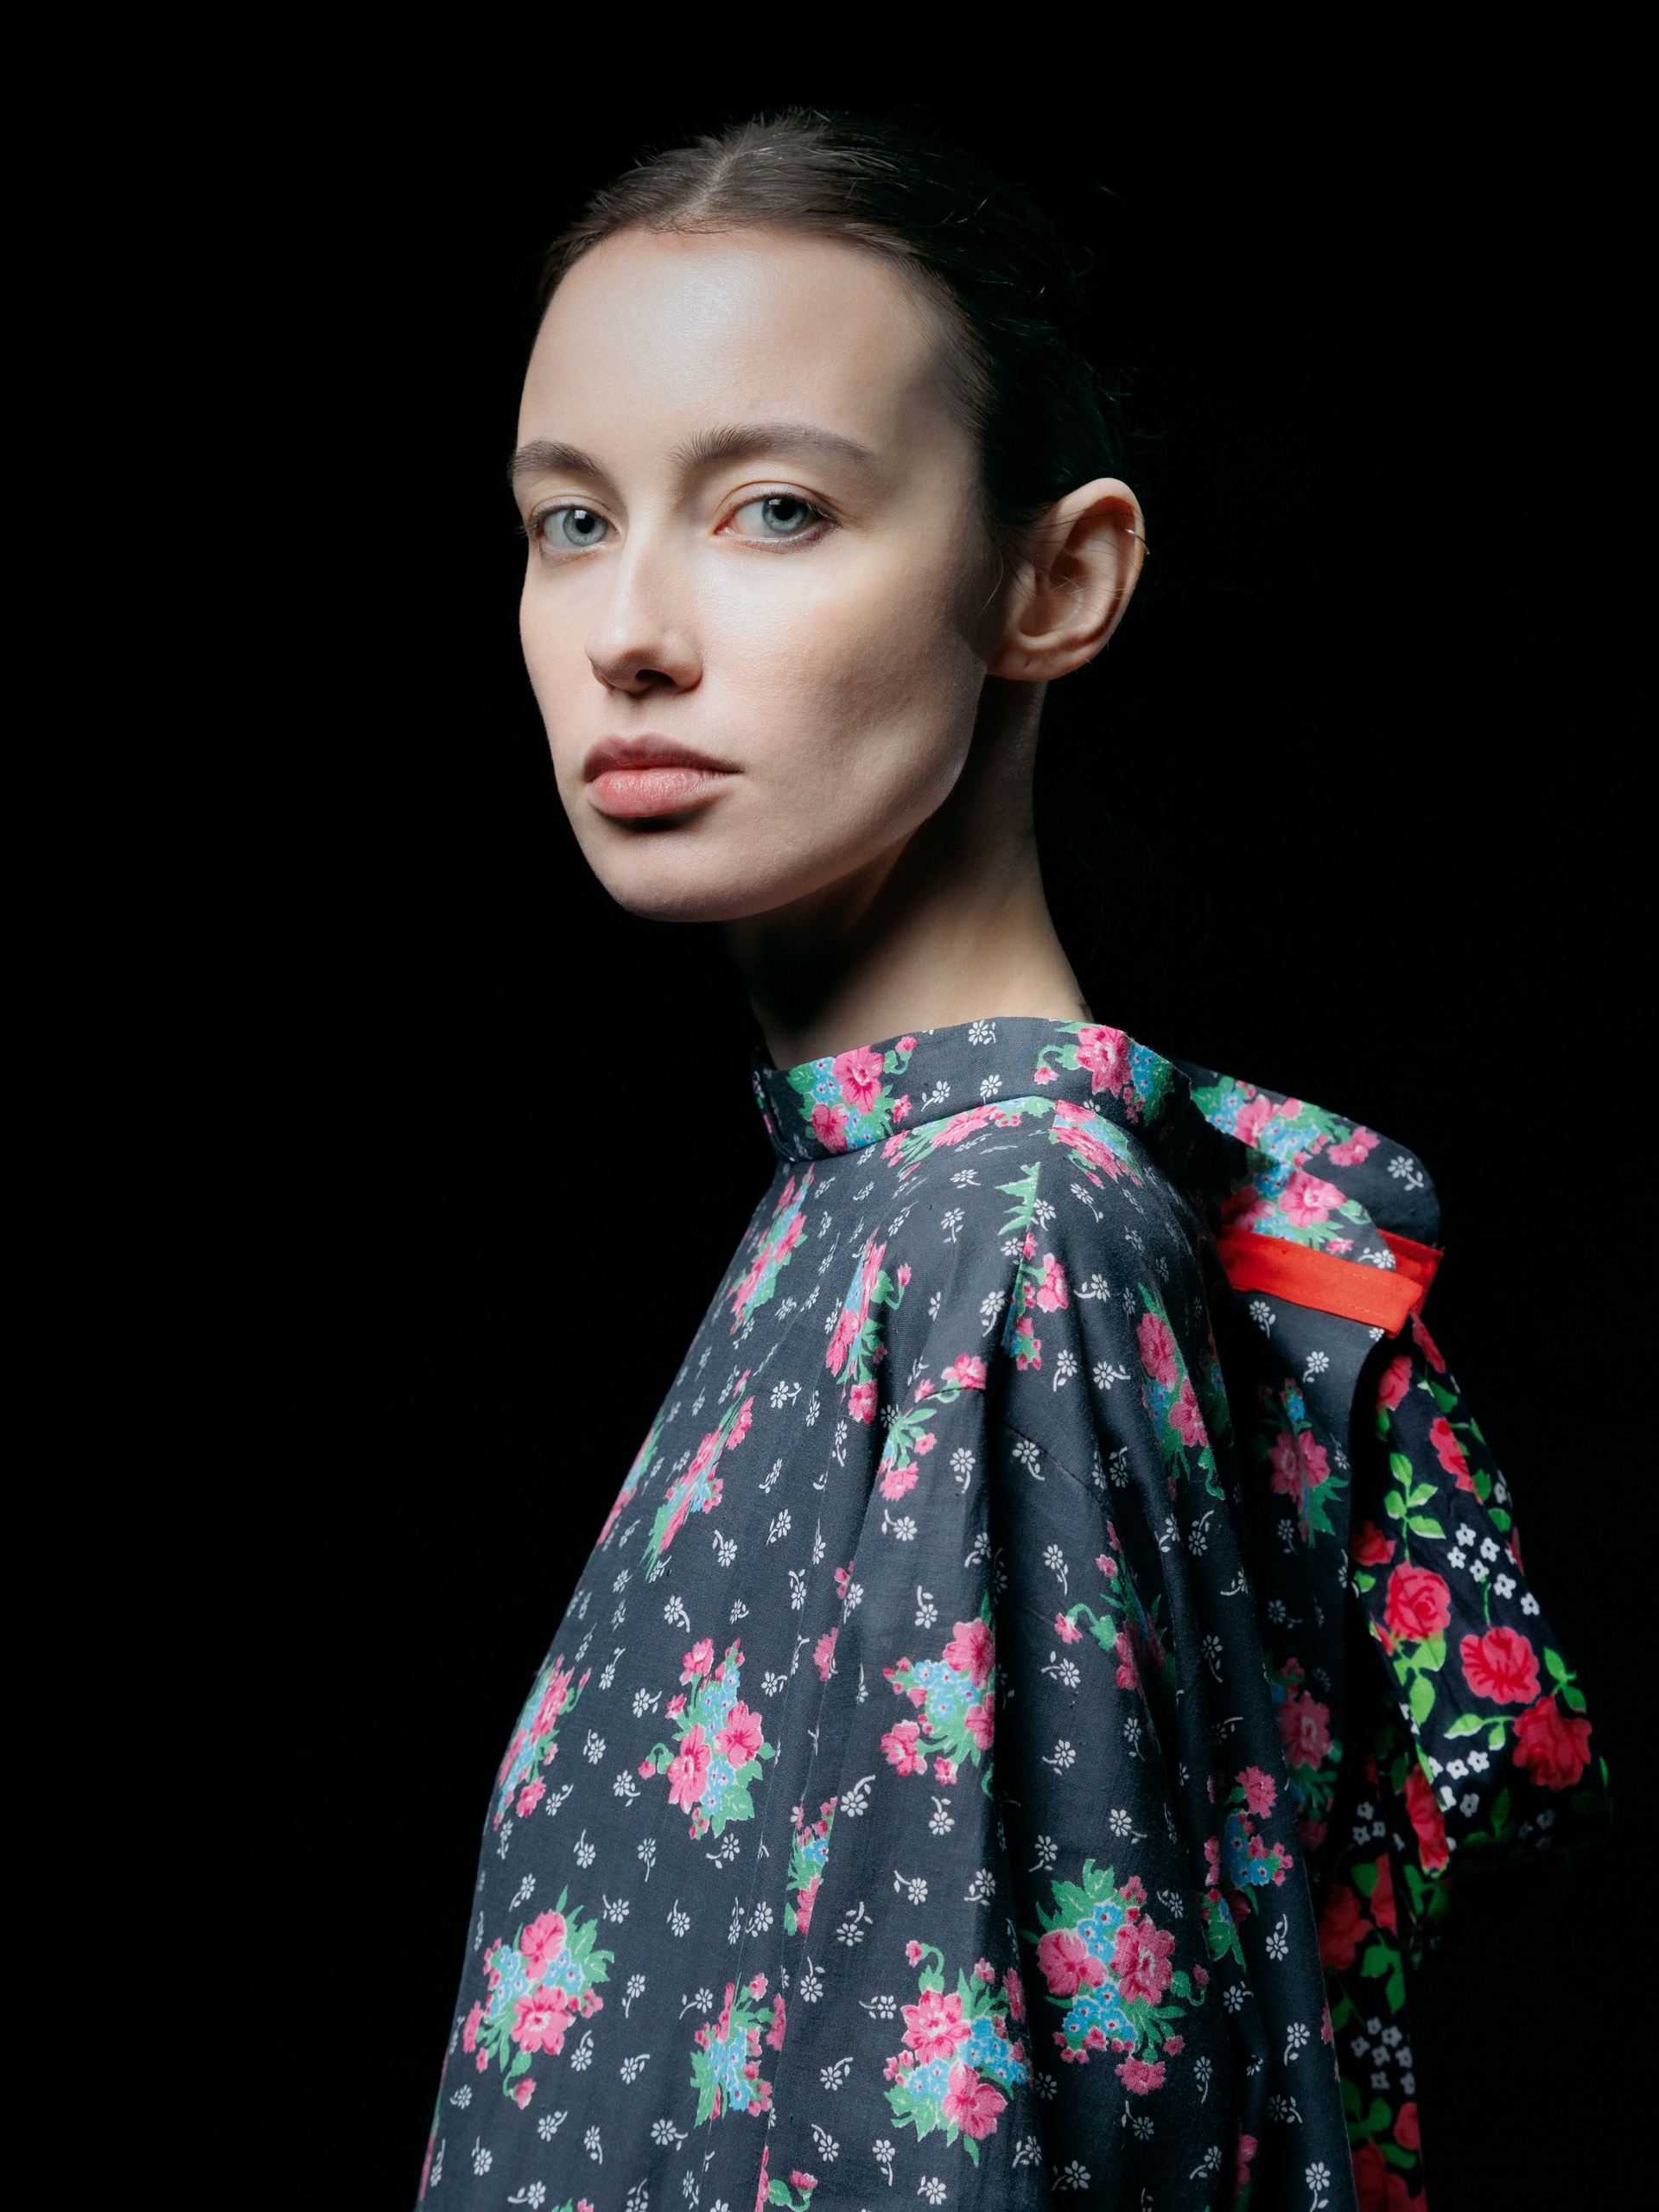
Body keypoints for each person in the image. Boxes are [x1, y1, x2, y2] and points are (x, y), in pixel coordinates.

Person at [417, 113, 1605, 2212]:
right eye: (571, 519)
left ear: (1055, 581)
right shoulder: (878, 1207)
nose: (630, 630)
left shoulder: (997, 1235)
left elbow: (962, 2131)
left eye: (777, 508)